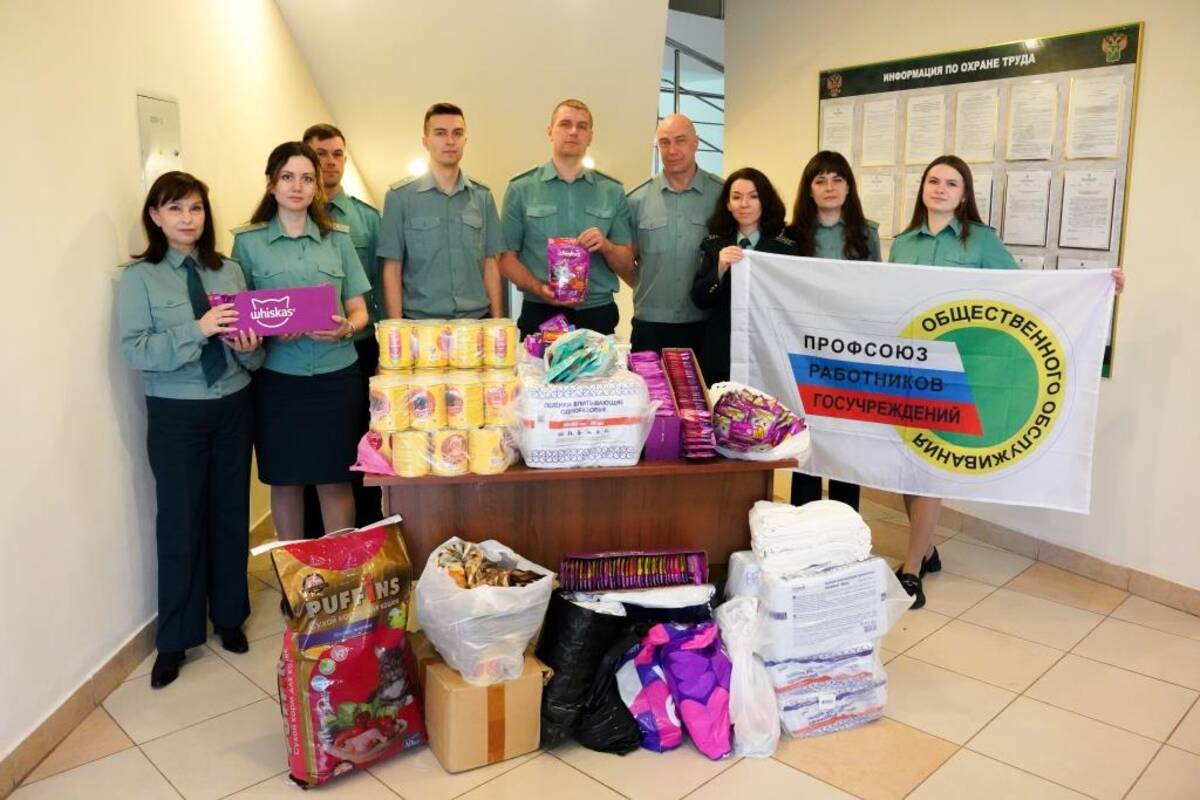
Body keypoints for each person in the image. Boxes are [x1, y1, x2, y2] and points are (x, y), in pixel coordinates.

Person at [888, 154, 1125, 608]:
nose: (940, 189)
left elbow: (1024, 293)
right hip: (912, 366)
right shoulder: (901, 244)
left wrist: (1096, 285)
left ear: (964, 194)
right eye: (933, 181)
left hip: (960, 370)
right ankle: (928, 548)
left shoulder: (981, 241)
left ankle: (912, 568)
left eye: (951, 183)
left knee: (932, 466)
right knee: (907, 463)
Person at [117, 171, 263, 688]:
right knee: (179, 521)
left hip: (233, 405)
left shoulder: (230, 271)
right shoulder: (139, 279)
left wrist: (249, 348)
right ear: (155, 216)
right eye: (175, 208)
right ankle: (175, 638)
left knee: (230, 514)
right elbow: (135, 350)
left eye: (196, 208)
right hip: (176, 414)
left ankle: (230, 616)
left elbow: (254, 349)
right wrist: (196, 329)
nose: (187, 218)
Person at [232, 142, 371, 543]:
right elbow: (240, 314)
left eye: (307, 178)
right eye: (288, 177)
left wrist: (346, 328)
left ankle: (340, 573)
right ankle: (296, 572)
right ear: (271, 184)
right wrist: (268, 328)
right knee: (285, 481)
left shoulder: (337, 239)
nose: (297, 186)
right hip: (279, 380)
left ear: (317, 187)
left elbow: (360, 310)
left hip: (336, 377)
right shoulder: (248, 243)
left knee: (335, 479)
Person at [785, 150, 880, 512]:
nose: (830, 187)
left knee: (846, 439)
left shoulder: (866, 233)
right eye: (820, 180)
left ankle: (844, 520)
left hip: (849, 351)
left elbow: (876, 290)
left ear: (849, 187)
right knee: (806, 435)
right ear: (809, 189)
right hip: (804, 348)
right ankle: (804, 519)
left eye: (838, 179)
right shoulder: (792, 236)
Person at [301, 123, 382, 533]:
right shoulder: (289, 218)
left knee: (362, 446)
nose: (329, 162)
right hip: (298, 355)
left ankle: (364, 536)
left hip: (359, 349)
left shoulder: (367, 219)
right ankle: (315, 541)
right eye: (320, 154)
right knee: (309, 457)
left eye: (336, 154)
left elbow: (380, 285)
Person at [500, 98, 635, 338]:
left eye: (582, 126)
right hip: (541, 311)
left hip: (597, 312)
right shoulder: (521, 189)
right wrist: (538, 288)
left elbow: (626, 263)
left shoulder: (612, 191)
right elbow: (505, 258)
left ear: (590, 137)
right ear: (550, 131)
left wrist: (607, 246)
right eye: (565, 124)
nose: (573, 131)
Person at [379, 102, 504, 320]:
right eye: (440, 133)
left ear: (465, 140)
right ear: (426, 141)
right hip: (421, 324)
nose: (450, 141)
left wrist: (498, 322)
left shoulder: (483, 197)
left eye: (457, 133)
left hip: (475, 322)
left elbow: (491, 264)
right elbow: (392, 267)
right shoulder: (399, 197)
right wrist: (396, 328)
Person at [625, 114, 723, 353]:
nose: (672, 150)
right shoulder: (637, 199)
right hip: (651, 324)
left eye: (680, 140)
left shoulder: (721, 195)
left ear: (696, 142)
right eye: (664, 142)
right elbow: (625, 259)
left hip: (706, 322)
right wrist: (647, 284)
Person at [691, 167, 796, 384]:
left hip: (769, 351)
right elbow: (699, 299)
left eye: (753, 196)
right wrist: (719, 270)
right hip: (721, 352)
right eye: (736, 197)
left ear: (764, 201)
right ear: (728, 204)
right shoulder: (713, 244)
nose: (744, 204)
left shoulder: (786, 248)